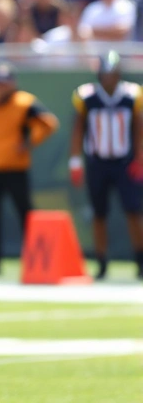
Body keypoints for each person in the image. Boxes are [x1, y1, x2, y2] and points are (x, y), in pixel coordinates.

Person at [0, 63, 59, 275]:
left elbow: (49, 123)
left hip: (15, 167)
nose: (1, 86)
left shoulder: (24, 102)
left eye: (5, 82)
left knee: (26, 215)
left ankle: (37, 259)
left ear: (13, 83)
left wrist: (29, 143)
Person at [69, 52, 143, 280]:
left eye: (112, 74)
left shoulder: (132, 94)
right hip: (97, 162)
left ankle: (140, 260)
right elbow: (78, 129)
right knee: (99, 214)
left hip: (124, 163)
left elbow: (139, 128)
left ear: (119, 73)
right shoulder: (87, 96)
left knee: (134, 212)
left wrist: (140, 159)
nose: (108, 79)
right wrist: (75, 161)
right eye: (105, 74)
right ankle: (101, 262)